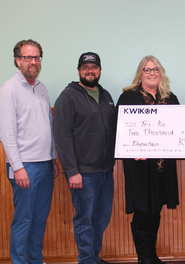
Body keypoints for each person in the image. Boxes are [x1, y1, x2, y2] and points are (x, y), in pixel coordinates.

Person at [0, 39, 59, 264]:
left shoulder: (41, 88)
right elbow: (6, 133)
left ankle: (35, 260)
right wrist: (18, 167)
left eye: (36, 57)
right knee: (23, 220)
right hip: (25, 167)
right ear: (17, 60)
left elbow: (48, 126)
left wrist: (52, 157)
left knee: (39, 219)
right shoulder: (9, 89)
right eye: (28, 58)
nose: (33, 62)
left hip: (44, 164)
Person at [53, 52, 116, 264]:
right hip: (84, 174)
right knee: (85, 220)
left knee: (101, 219)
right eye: (85, 68)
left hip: (106, 171)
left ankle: (94, 258)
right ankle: (87, 260)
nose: (90, 71)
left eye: (94, 67)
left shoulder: (106, 95)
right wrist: (72, 171)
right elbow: (62, 136)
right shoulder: (67, 97)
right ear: (79, 70)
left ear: (99, 70)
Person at [116, 55, 179, 264]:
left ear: (161, 73)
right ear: (140, 74)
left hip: (163, 167)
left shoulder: (171, 98)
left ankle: (151, 255)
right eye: (147, 69)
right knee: (143, 211)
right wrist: (130, 147)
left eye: (155, 69)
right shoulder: (128, 97)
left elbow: (180, 130)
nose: (152, 73)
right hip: (139, 167)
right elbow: (120, 130)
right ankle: (145, 257)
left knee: (156, 210)